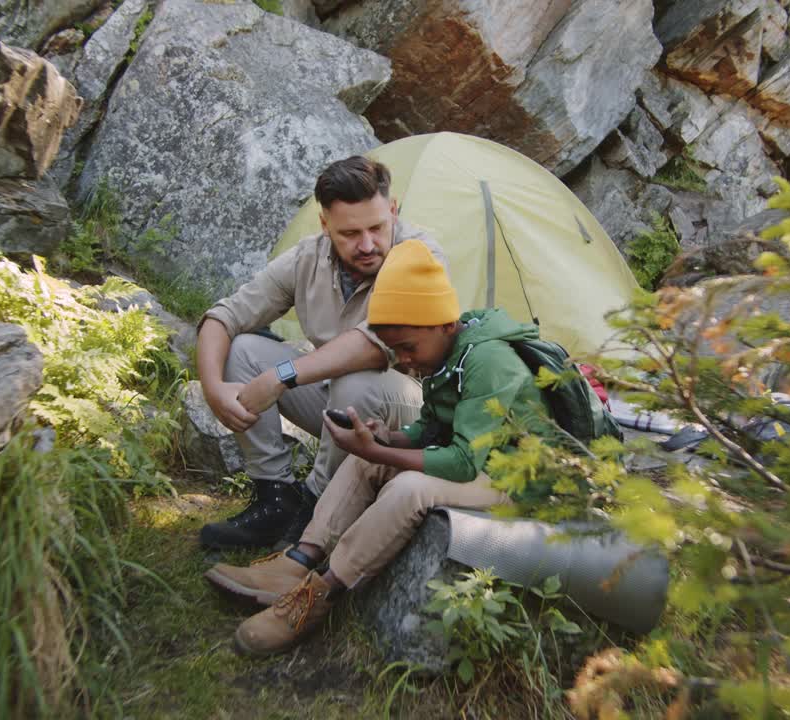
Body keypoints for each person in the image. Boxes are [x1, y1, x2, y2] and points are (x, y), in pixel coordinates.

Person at [203, 239, 556, 656]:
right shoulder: (447, 352)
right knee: (364, 460)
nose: (403, 361)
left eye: (408, 348)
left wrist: (383, 454)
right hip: (481, 463)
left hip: (516, 481)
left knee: (410, 488)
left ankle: (320, 595)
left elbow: (462, 462)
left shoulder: (487, 361)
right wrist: (383, 439)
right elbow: (429, 427)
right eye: (396, 349)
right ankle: (298, 560)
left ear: (444, 324)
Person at [196, 157, 447, 549]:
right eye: (349, 233)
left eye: (377, 227)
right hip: (341, 402)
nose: (367, 245)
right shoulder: (308, 258)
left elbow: (373, 344)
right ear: (325, 224)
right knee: (242, 350)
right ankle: (275, 498)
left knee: (356, 379)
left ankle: (316, 507)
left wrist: (280, 377)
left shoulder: (420, 254)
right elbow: (225, 317)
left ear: (393, 210)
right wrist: (213, 388)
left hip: (414, 416)